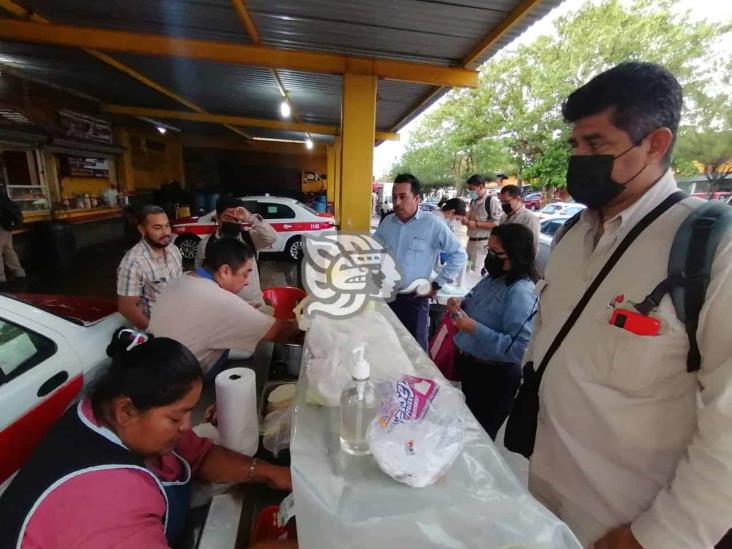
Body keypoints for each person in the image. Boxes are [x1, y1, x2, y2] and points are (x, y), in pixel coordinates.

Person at [526, 62, 732, 548]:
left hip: (629, 526)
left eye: (597, 145)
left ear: (656, 144)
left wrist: (658, 537)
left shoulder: (710, 247)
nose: (580, 158)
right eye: (575, 145)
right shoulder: (574, 236)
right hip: (542, 500)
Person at [0, 335, 292, 548]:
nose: (187, 426)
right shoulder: (105, 508)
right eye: (176, 417)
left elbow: (197, 454)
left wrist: (268, 472)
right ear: (125, 410)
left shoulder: (109, 415)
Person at [149, 237, 300, 377]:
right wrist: (315, 328)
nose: (247, 282)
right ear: (225, 271)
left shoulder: (183, 279)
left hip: (154, 365)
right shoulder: (219, 301)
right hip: (182, 381)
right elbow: (280, 332)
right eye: (245, 274)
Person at [447, 224, 537, 440]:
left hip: (493, 380)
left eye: (496, 253)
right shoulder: (492, 279)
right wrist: (457, 305)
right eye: (489, 250)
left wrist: (474, 329)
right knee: (460, 430)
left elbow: (519, 349)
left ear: (515, 255)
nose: (490, 257)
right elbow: (471, 300)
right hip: (470, 368)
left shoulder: (521, 291)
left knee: (478, 439)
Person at [374, 173, 466, 350]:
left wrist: (436, 285)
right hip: (386, 296)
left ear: (417, 198)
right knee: (388, 345)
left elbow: (459, 255)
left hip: (414, 300)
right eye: (394, 197)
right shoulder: (387, 223)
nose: (397, 202)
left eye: (403, 197)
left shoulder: (432, 224)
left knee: (416, 350)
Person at [196, 196, 277, 308]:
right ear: (218, 218)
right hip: (224, 309)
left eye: (237, 219)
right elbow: (200, 276)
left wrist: (250, 218)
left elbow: (271, 237)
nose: (233, 222)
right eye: (228, 217)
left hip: (254, 306)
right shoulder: (206, 244)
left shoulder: (249, 238)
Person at [117, 205, 183, 330]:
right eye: (157, 228)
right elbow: (127, 308)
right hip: (159, 331)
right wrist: (154, 331)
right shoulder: (133, 263)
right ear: (142, 230)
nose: (165, 233)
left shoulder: (173, 250)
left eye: (167, 226)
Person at [462, 174, 503, 272]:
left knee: (475, 272)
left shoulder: (491, 201)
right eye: (469, 189)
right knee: (466, 269)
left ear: (481, 187)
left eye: (472, 189)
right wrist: (466, 220)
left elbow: (498, 223)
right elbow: (470, 216)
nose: (470, 191)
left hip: (481, 245)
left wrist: (477, 224)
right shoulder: (473, 201)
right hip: (470, 243)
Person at [498, 184, 540, 256]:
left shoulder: (529, 218)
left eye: (506, 202)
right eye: (501, 202)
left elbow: (533, 246)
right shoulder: (503, 217)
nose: (503, 205)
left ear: (518, 199)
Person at [0, 189, 25, 287]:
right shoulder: (2, 194)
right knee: (8, 249)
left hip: (1, 225)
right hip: (6, 225)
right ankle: (19, 273)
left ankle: (1, 281)